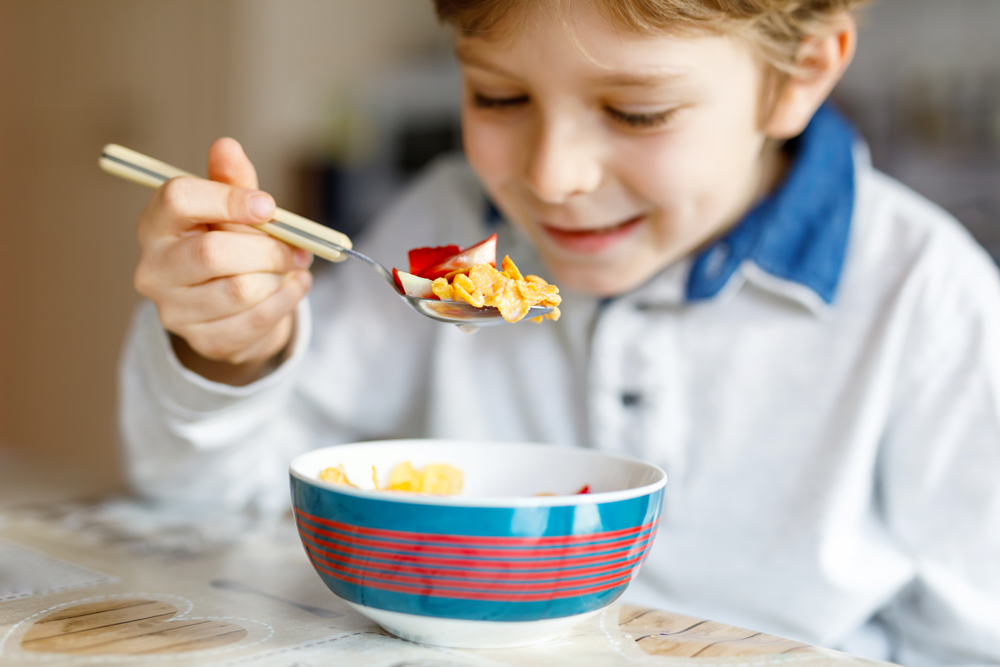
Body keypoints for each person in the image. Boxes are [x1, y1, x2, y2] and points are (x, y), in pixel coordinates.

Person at [118, 1, 1000, 664]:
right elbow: (204, 503)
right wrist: (228, 351)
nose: (552, 176)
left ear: (804, 70)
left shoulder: (926, 299)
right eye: (498, 95)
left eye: (637, 112)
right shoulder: (454, 228)